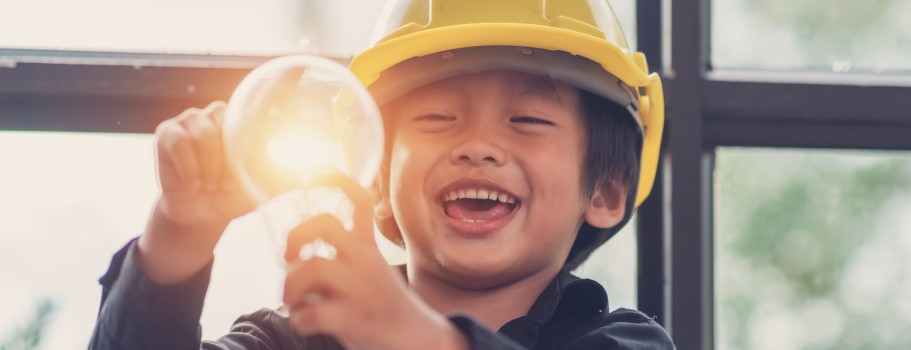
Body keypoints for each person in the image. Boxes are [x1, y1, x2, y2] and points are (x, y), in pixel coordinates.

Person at [88, 0, 671, 349]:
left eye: (528, 118)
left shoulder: (625, 343)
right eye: (438, 117)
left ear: (608, 190)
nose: (476, 146)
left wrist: (410, 335)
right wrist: (178, 234)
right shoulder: (294, 339)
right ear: (377, 177)